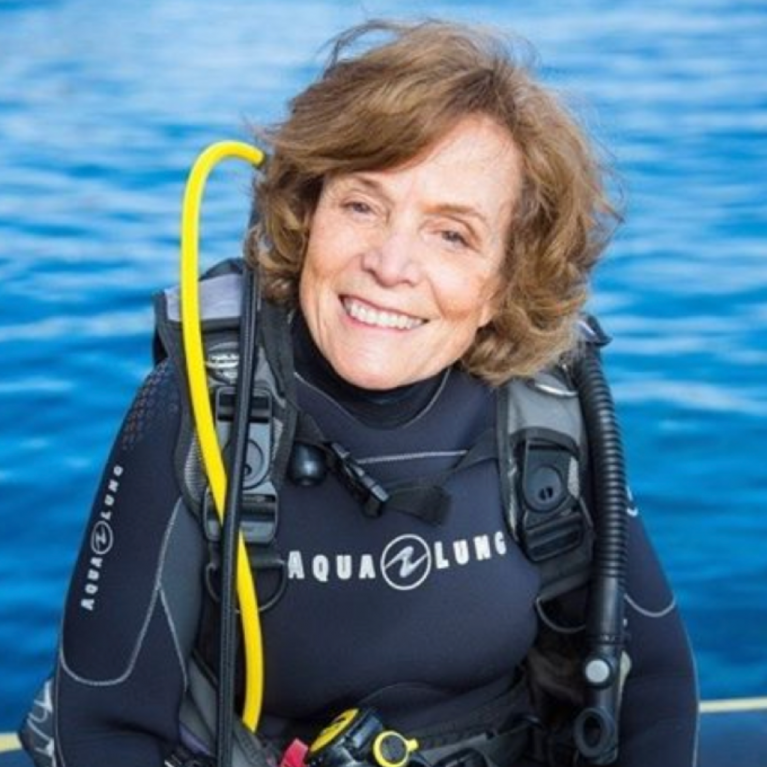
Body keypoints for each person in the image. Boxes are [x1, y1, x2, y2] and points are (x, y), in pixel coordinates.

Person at [14, 18, 698, 767]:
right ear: (307, 214)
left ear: (506, 279)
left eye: (452, 234)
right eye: (362, 205)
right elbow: (100, 721)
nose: (391, 263)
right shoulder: (203, 413)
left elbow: (655, 683)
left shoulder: (549, 413)